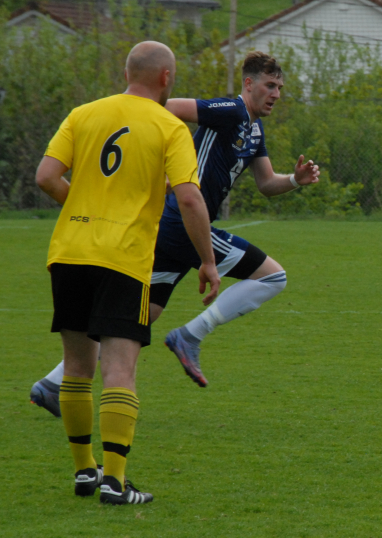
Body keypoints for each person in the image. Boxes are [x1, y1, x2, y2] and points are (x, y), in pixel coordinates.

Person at [31, 51, 319, 411]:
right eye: (270, 85)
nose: (276, 94)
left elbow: (266, 183)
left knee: (140, 316)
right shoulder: (230, 110)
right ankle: (189, 336)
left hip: (174, 227)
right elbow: (164, 107)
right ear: (249, 84)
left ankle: (52, 384)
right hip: (184, 222)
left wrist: (294, 180)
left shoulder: (254, 129)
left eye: (280, 88)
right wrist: (145, 143)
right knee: (273, 278)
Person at [35, 41, 220, 505]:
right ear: (166, 78)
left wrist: (81, 206)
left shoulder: (83, 114)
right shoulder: (169, 125)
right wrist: (207, 260)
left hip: (70, 252)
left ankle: (85, 471)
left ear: (126, 73)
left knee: (77, 368)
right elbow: (190, 197)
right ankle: (115, 482)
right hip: (124, 258)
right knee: (120, 369)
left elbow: (46, 177)